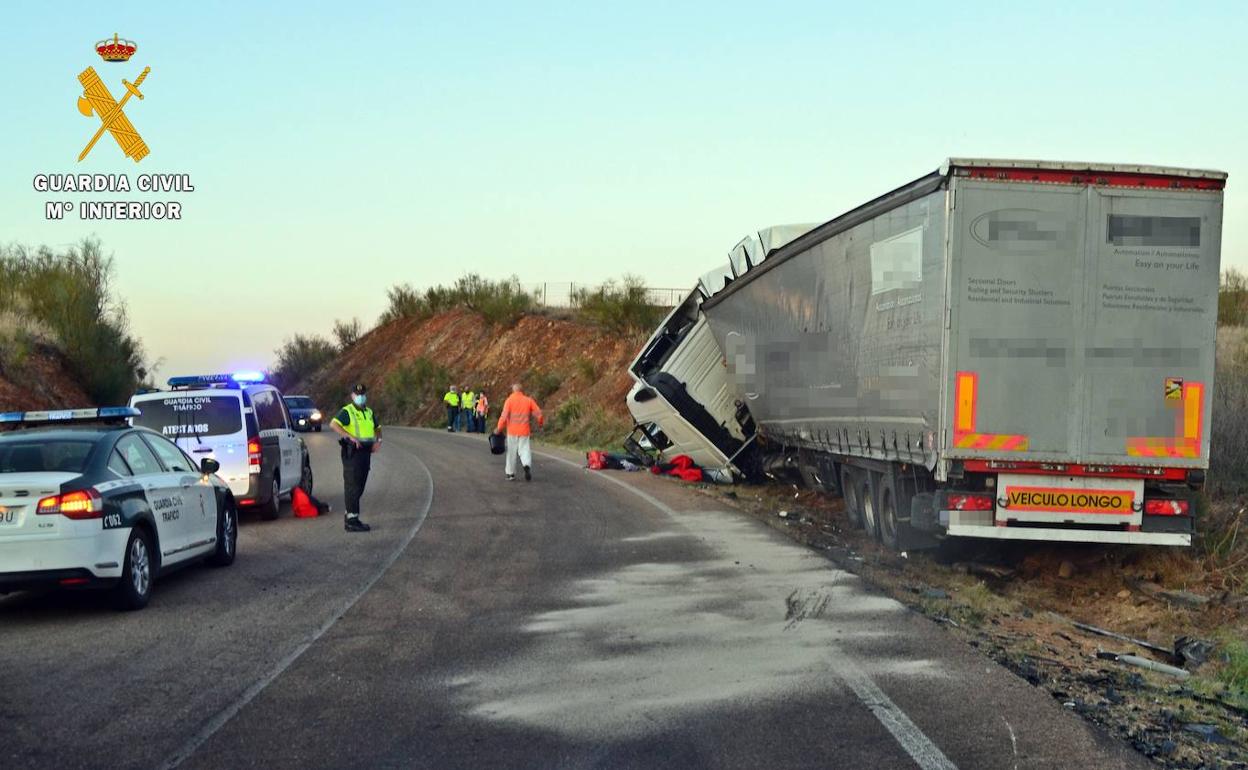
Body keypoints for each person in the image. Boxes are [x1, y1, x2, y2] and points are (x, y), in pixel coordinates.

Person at [329, 384, 381, 533]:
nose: (360, 396)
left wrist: (379, 441)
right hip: (353, 452)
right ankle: (352, 520)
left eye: (363, 393)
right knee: (352, 485)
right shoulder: (347, 411)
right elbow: (334, 424)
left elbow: (378, 428)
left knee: (360, 484)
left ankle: (350, 514)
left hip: (365, 452)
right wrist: (350, 437)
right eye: (357, 394)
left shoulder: (369, 412)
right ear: (352, 396)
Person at [495, 382, 544, 481]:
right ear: (521, 390)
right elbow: (538, 413)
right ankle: (526, 465)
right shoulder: (528, 400)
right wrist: (540, 423)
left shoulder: (509, 401)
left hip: (512, 431)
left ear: (513, 390)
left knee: (511, 453)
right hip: (524, 431)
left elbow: (504, 416)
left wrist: (499, 428)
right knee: (525, 450)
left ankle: (510, 473)